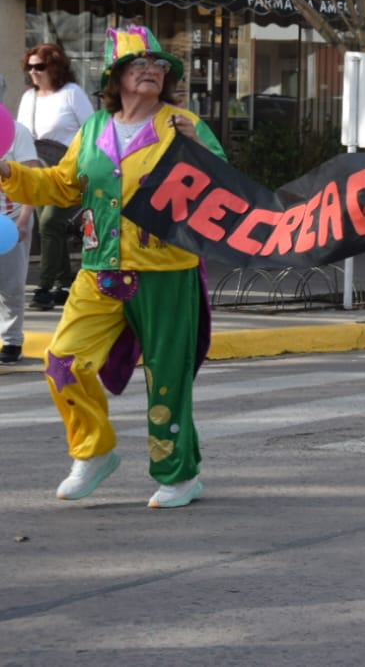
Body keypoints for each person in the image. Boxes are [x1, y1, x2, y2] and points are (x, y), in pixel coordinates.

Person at [1, 26, 227, 507]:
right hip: (100, 268)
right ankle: (94, 451)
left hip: (167, 270)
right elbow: (62, 188)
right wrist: (9, 173)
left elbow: (222, 187)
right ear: (117, 75)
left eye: (159, 65)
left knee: (167, 374)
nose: (151, 71)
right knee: (62, 362)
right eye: (139, 64)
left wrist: (200, 149)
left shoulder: (182, 123)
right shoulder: (94, 129)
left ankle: (179, 474)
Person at [18, 43, 96, 310]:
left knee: (50, 222)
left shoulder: (72, 94)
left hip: (68, 168)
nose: (34, 72)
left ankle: (44, 285)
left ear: (54, 67)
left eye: (39, 67)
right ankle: (63, 283)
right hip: (37, 167)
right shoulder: (29, 98)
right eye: (29, 67)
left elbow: (93, 131)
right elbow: (20, 135)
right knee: (49, 227)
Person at [1, 73, 41, 363]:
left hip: (11, 217)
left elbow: (32, 178)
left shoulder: (17, 132)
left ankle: (12, 341)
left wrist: (25, 219)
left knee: (11, 284)